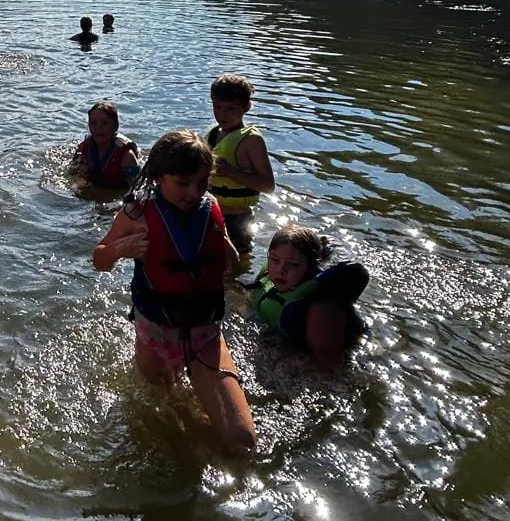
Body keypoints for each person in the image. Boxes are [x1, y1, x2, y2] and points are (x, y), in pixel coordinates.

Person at [93, 129, 255, 456]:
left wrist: (226, 255)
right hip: (155, 332)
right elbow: (100, 260)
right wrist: (120, 249)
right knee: (165, 418)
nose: (193, 192)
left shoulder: (208, 208)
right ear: (158, 176)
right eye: (182, 183)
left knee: (241, 442)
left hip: (204, 331)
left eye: (201, 183)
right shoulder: (136, 213)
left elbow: (228, 260)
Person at [250, 226, 368, 366]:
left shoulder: (320, 307)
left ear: (310, 268)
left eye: (293, 265)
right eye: (275, 260)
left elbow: (327, 364)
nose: (281, 270)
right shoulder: (269, 278)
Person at [206, 74, 275, 266]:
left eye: (231, 108)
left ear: (247, 107)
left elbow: (268, 186)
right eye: (217, 107)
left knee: (236, 266)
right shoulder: (212, 134)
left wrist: (231, 172)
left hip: (237, 218)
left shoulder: (251, 140)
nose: (222, 114)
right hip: (209, 213)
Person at [71, 100, 139, 189]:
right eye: (93, 123)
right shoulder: (83, 148)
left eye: (104, 123)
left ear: (115, 126)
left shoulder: (127, 156)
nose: (98, 127)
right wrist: (82, 175)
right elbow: (71, 174)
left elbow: (137, 189)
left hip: (118, 190)